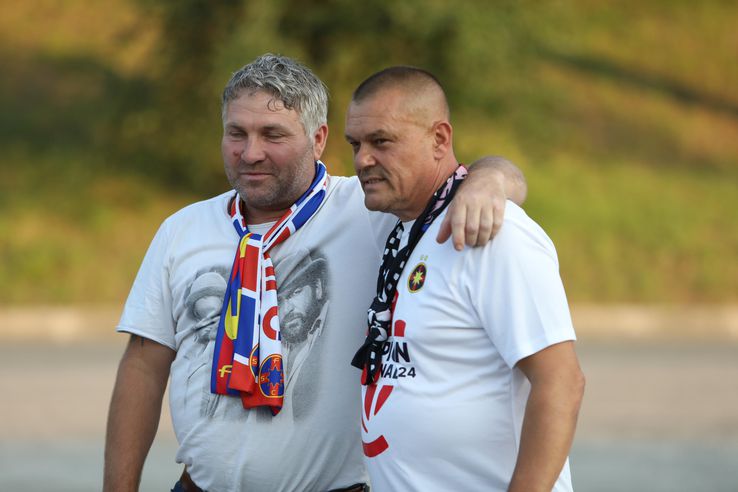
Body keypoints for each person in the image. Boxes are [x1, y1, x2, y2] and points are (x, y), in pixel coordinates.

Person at [103, 54, 527, 492]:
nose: (251, 152)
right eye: (237, 133)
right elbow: (143, 368)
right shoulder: (182, 229)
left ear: (318, 138)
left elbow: (482, 180)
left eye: (272, 135)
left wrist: (489, 180)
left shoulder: (371, 211)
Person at [347, 67, 585, 492]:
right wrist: (493, 172)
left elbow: (561, 383)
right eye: (356, 144)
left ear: (439, 139)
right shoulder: (392, 224)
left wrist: (491, 179)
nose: (363, 159)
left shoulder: (496, 232)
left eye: (381, 141)